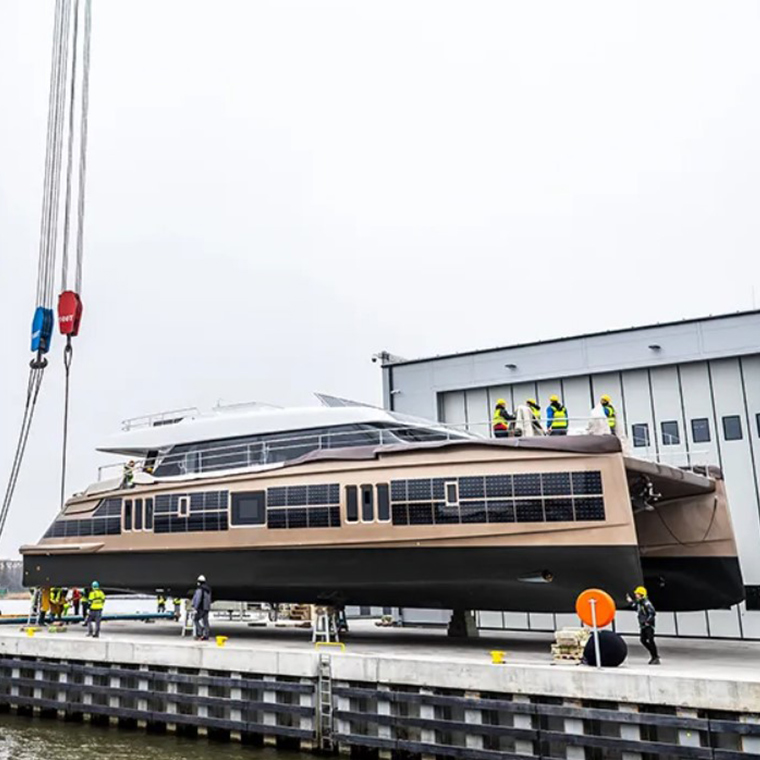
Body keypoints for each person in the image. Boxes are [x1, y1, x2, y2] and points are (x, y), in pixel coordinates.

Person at [626, 585, 660, 664]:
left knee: (650, 640)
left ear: (641, 594)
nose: (636, 595)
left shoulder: (646, 603)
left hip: (648, 625)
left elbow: (652, 613)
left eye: (637, 594)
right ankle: (654, 654)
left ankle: (655, 657)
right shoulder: (639, 603)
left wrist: (648, 621)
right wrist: (630, 601)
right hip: (643, 625)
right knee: (643, 640)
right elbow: (635, 607)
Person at [192, 575, 212, 641]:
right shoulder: (208, 590)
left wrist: (195, 607)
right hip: (206, 608)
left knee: (195, 619)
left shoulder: (199, 590)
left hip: (200, 608)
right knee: (205, 621)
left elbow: (198, 599)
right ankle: (206, 635)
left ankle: (200, 632)